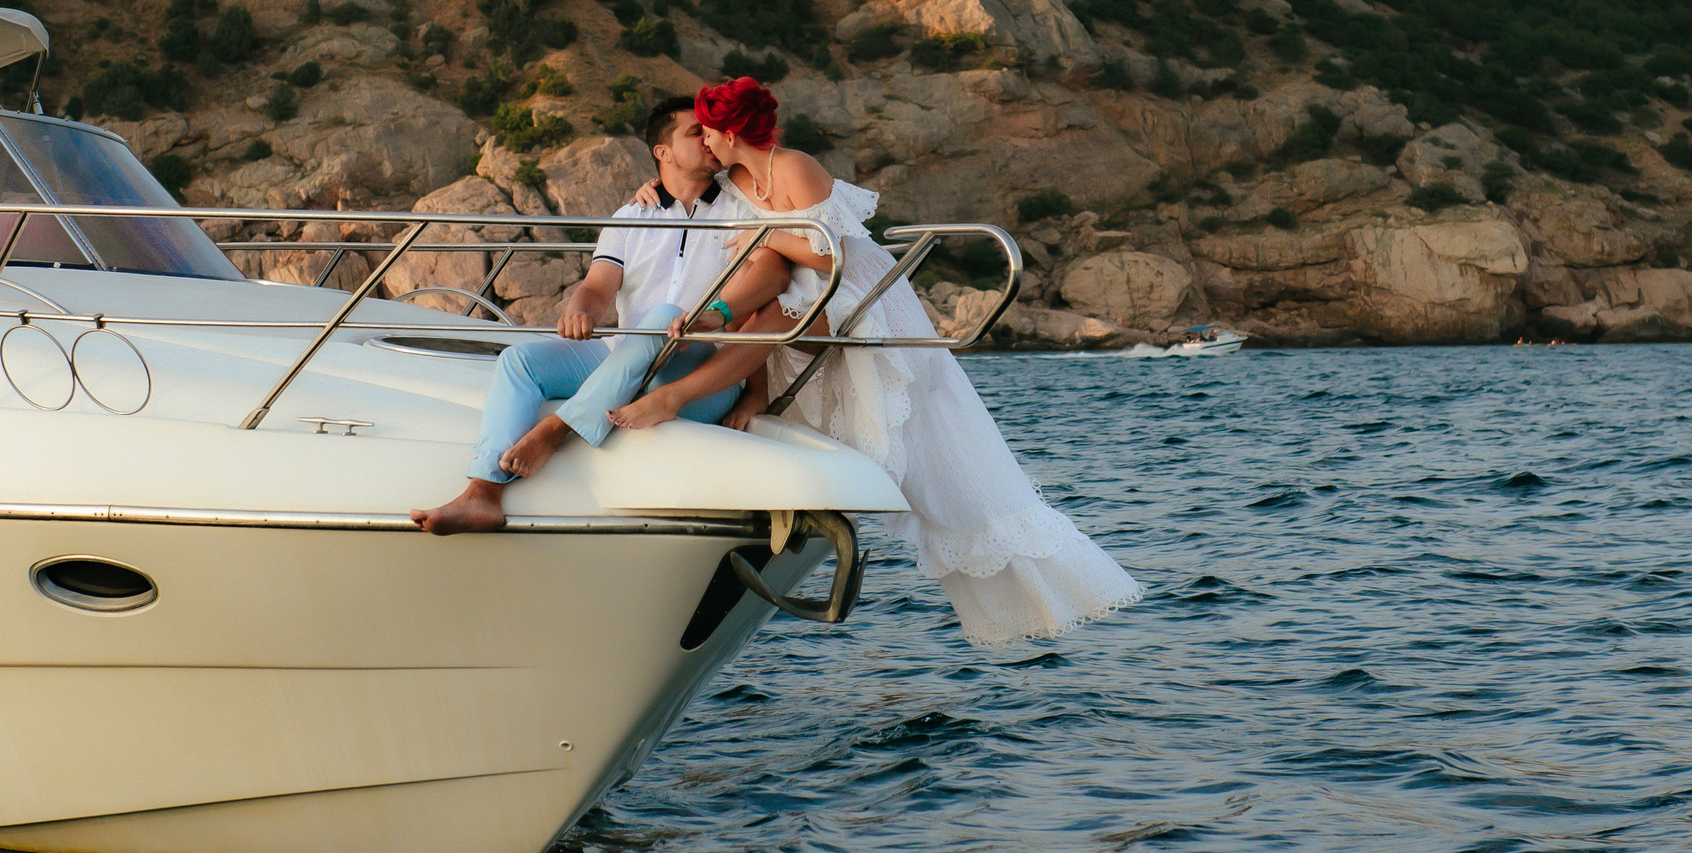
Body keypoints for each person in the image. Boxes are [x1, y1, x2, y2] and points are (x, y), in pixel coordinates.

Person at [607, 76, 1144, 645]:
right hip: (793, 292)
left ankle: (676, 396)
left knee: (921, 432)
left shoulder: (795, 167)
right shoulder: (732, 175)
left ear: (729, 131)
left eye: (708, 131)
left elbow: (826, 250)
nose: (705, 142)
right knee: (762, 313)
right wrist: (652, 184)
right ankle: (704, 393)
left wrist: (766, 235)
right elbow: (689, 184)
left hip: (847, 288)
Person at [409, 97, 774, 534]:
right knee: (519, 362)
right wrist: (580, 310)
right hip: (622, 355)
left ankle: (556, 429)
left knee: (667, 315)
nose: (710, 139)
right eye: (696, 132)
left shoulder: (742, 212)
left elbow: (764, 309)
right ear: (663, 152)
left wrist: (756, 392)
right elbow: (598, 286)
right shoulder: (630, 215)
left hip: (698, 375)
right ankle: (482, 494)